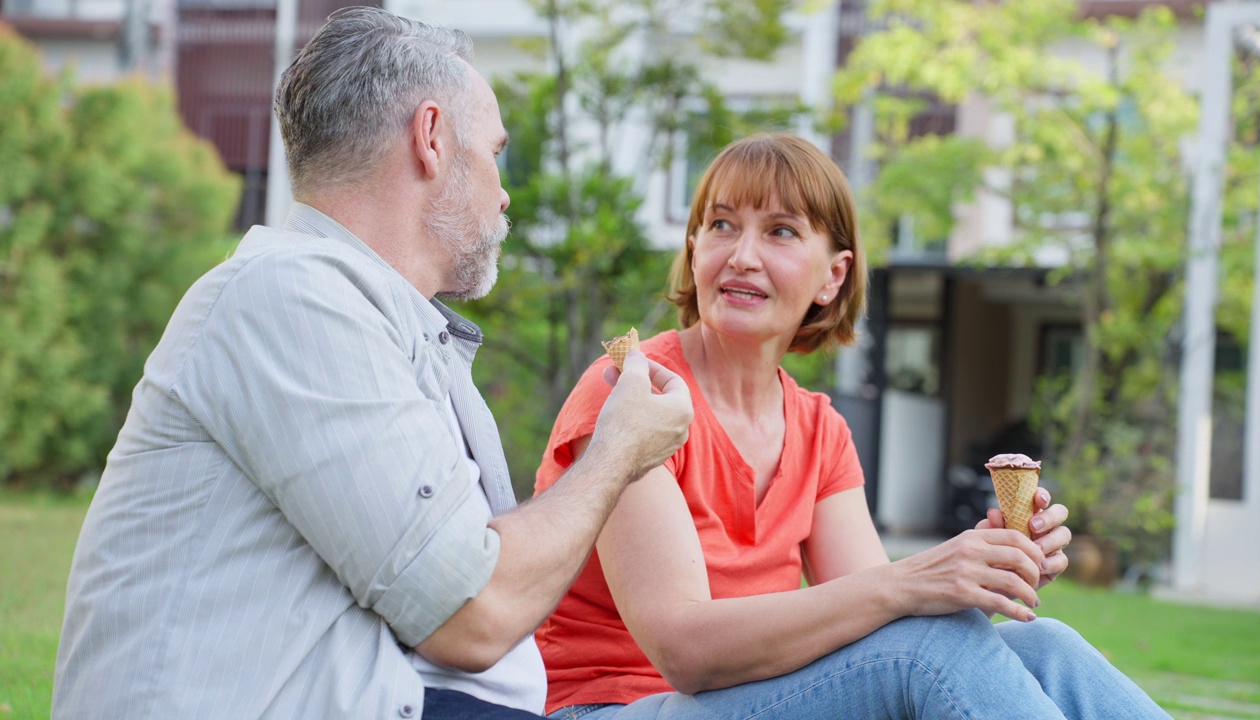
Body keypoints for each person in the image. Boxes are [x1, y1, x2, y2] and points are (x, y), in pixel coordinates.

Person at [52, 8, 693, 720]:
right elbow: (473, 611)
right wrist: (619, 449)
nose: (505, 192)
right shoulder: (289, 297)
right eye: (495, 153)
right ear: (431, 139)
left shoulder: (379, 321)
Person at [532, 133, 1172, 719]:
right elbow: (684, 650)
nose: (742, 256)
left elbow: (877, 610)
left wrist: (980, 564)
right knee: (923, 651)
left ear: (832, 276)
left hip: (751, 700)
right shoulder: (632, 392)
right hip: (612, 706)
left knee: (1047, 644)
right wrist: (917, 580)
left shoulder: (817, 429)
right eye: (721, 225)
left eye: (780, 232)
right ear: (695, 248)